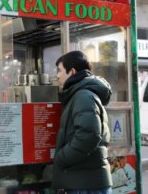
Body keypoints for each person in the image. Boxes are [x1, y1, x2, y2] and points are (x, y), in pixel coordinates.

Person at [52, 51, 113, 194]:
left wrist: (61, 158)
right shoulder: (80, 94)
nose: (57, 75)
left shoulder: (83, 95)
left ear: (72, 71)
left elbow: (89, 136)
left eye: (59, 70)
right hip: (85, 181)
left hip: (86, 185)